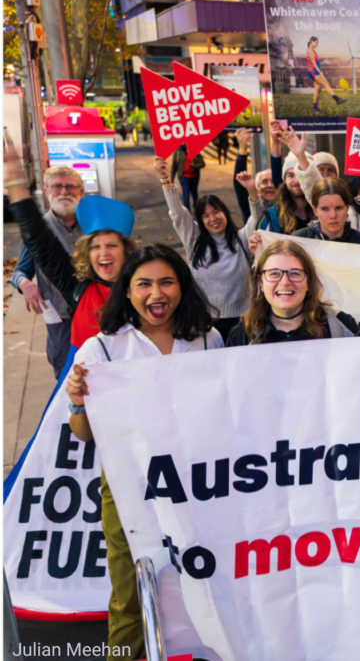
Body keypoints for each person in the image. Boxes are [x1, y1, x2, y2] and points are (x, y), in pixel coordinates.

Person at [64, 244, 222, 661]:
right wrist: (79, 401)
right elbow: (82, 433)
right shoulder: (100, 350)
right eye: (145, 284)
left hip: (200, 485)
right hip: (129, 487)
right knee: (133, 590)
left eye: (167, 282)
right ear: (127, 291)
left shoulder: (208, 339)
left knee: (207, 581)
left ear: (182, 288)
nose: (157, 293)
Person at [6, 149, 136, 349]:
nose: (103, 253)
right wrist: (16, 184)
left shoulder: (139, 287)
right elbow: (38, 240)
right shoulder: (78, 288)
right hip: (61, 318)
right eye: (57, 187)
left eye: (111, 245)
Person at [155, 157, 255, 339]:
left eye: (216, 211)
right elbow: (178, 214)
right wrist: (165, 178)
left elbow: (257, 218)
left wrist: (251, 190)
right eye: (205, 215)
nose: (213, 218)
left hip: (242, 320)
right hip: (204, 321)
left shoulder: (242, 238)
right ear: (200, 221)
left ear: (225, 212)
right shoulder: (194, 239)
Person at [10, 165, 84, 378]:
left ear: (80, 191)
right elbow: (20, 271)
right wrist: (25, 284)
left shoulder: (92, 224)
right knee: (65, 373)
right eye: (57, 186)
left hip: (93, 312)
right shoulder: (38, 230)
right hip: (60, 317)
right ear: (47, 190)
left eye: (70, 186)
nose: (64, 192)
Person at [226, 240, 360, 345]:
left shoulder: (342, 326)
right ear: (260, 282)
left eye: (295, 273)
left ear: (308, 282)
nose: (285, 281)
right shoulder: (241, 336)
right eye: (274, 273)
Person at [288, 177, 360, 245]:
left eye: (339, 208)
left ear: (347, 209)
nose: (333, 215)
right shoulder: (298, 240)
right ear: (315, 210)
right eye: (325, 209)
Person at [306, 36, 348, 113]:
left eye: (318, 43)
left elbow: (315, 62)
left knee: (318, 89)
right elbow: (313, 63)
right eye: (316, 42)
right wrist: (319, 71)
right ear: (312, 41)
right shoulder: (310, 50)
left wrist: (322, 63)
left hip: (313, 72)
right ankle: (337, 99)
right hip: (314, 72)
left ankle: (315, 108)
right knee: (326, 84)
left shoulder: (312, 51)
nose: (317, 44)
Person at [170, 144, 205, 210]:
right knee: (186, 194)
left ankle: (196, 209)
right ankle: (187, 212)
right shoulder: (177, 153)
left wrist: (195, 166)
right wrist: (171, 180)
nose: (183, 144)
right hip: (183, 177)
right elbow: (173, 167)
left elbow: (202, 164)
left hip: (194, 177)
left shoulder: (195, 151)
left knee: (194, 194)